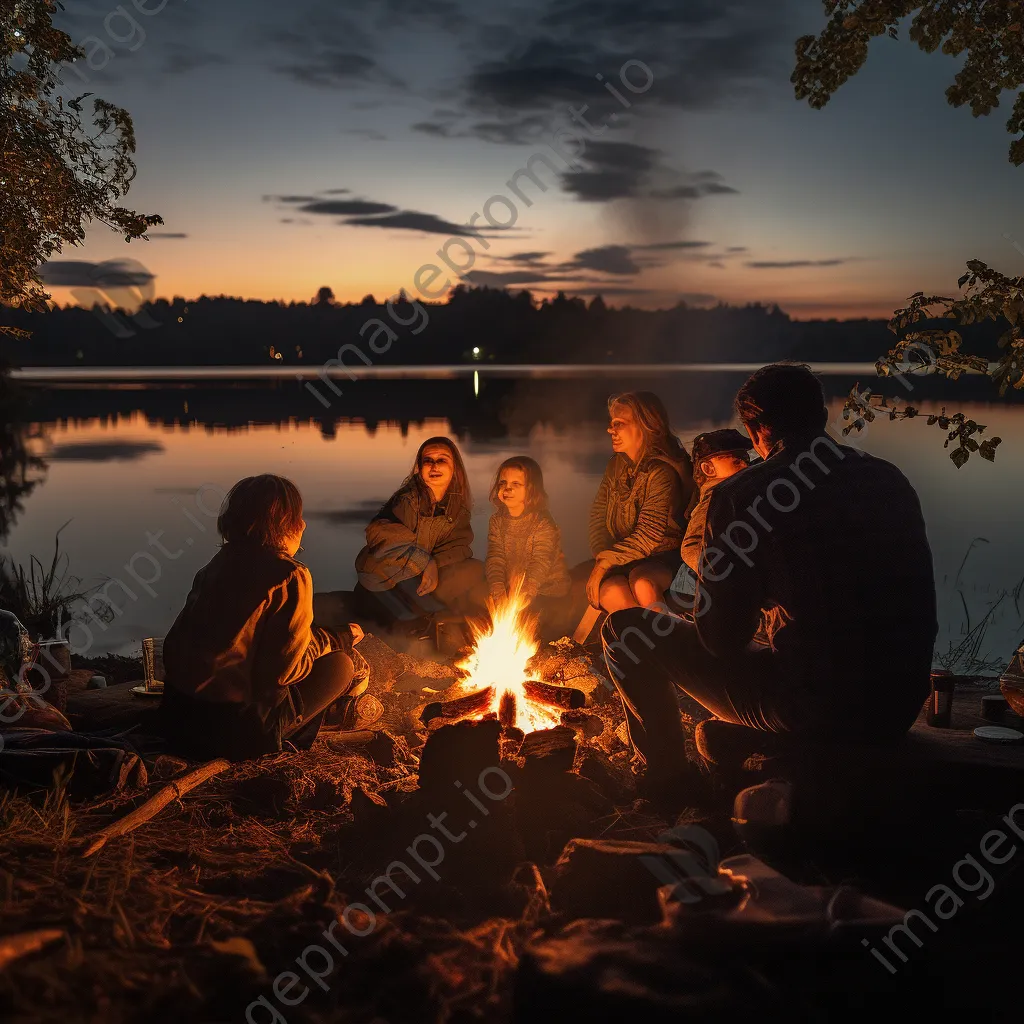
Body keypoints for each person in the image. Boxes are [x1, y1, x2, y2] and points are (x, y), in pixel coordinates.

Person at [602, 363, 938, 797]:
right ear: (819, 415)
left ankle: (668, 780)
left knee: (626, 630)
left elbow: (721, 639)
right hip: (898, 704)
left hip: (814, 706)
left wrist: (718, 591)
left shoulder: (742, 494)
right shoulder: (888, 479)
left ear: (755, 428)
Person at [160, 475, 365, 761]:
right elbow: (285, 673)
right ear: (285, 523)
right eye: (299, 516)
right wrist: (336, 638)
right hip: (234, 732)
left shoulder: (213, 567)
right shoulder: (289, 575)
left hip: (178, 718)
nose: (304, 525)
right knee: (341, 666)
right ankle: (284, 743)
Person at [354, 436, 485, 629]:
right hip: (385, 579)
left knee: (475, 570)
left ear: (455, 468)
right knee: (416, 621)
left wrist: (436, 565)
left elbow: (458, 546)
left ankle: (443, 614)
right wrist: (426, 562)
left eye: (442, 460)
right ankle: (410, 616)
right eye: (428, 461)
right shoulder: (407, 501)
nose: (434, 466)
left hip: (416, 574)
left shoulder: (456, 507)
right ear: (419, 467)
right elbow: (383, 537)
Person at [583, 392, 695, 613]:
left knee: (642, 583)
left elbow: (649, 534)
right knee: (611, 591)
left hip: (663, 557)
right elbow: (598, 516)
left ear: (646, 425)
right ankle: (641, 644)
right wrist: (601, 556)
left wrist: (605, 563)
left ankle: (675, 641)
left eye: (619, 424)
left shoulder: (662, 472)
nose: (610, 430)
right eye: (611, 423)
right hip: (623, 557)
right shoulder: (615, 467)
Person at [485, 456, 571, 637]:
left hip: (546, 590)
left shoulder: (543, 523)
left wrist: (524, 595)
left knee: (525, 625)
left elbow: (540, 562)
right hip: (512, 587)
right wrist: (498, 590)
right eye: (503, 483)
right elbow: (495, 557)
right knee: (485, 610)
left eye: (516, 484)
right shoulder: (497, 521)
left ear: (532, 490)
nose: (507, 488)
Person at [680, 429, 752, 574]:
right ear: (708, 468)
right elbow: (690, 546)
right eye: (736, 461)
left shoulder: (733, 491)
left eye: (746, 459)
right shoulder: (715, 497)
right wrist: (716, 571)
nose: (745, 465)